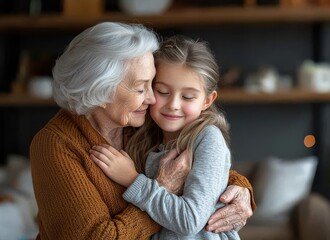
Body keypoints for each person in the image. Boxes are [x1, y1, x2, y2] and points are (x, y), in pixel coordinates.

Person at [29, 22, 255, 239]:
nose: (152, 98)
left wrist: (240, 189)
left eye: (152, 84)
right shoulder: (55, 145)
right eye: (141, 88)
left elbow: (199, 165)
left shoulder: (141, 123)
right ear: (102, 90)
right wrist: (162, 187)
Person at [90, 35, 240, 239]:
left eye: (187, 97)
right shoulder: (144, 136)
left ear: (207, 100)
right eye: (162, 91)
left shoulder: (208, 138)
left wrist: (132, 179)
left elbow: (190, 221)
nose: (173, 105)